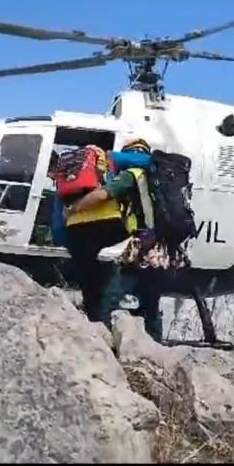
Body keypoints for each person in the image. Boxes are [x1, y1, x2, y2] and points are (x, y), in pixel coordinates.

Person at [64, 137, 174, 341]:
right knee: (150, 303)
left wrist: (73, 208)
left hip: (140, 247)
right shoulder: (158, 179)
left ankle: (103, 345)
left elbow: (101, 196)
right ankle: (156, 350)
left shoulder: (132, 175)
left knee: (110, 300)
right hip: (160, 249)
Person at [61, 146, 128, 323]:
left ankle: (92, 327)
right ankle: (105, 327)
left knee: (88, 283)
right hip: (106, 223)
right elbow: (101, 195)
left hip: (75, 227)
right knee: (107, 281)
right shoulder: (107, 161)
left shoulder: (70, 169)